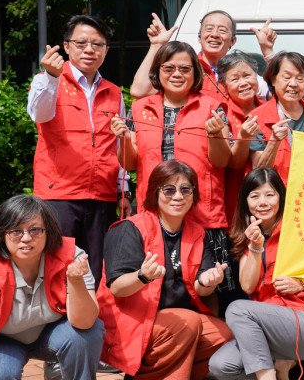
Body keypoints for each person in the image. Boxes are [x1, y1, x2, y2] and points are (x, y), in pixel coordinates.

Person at [110, 40, 245, 314]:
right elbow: (131, 162)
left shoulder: (213, 106)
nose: (176, 74)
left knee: (211, 287)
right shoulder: (140, 108)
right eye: (169, 68)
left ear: (195, 72)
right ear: (158, 71)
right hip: (155, 216)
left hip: (204, 214)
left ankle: (214, 336)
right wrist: (122, 138)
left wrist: (215, 134)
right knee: (160, 289)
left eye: (185, 68)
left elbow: (223, 161)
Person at [98, 160, 234, 379]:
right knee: (187, 323)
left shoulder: (197, 233)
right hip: (132, 322)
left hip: (176, 323)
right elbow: (117, 288)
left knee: (224, 336)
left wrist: (208, 281)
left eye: (185, 189)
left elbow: (201, 288)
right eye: (169, 190)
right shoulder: (130, 228)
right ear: (155, 192)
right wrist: (142, 276)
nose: (178, 196)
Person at [0, 195, 103, 380]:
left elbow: (85, 322)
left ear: (48, 231)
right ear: (2, 235)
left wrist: (75, 282)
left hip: (51, 332)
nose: (26, 238)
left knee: (87, 335)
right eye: (16, 231)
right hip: (1, 341)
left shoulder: (72, 257)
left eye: (35, 230)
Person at [26, 14, 130, 288]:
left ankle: (91, 315)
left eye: (97, 44)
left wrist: (123, 190)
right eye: (81, 43)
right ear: (66, 46)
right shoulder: (47, 81)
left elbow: (118, 144)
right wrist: (51, 76)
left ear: (106, 50)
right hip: (58, 194)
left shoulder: (114, 92)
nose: (89, 50)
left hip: (102, 196)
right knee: (56, 267)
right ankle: (56, 316)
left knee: (97, 269)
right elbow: (39, 113)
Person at [208, 168, 304, 379]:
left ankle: (269, 375)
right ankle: (281, 368)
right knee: (221, 365)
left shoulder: (299, 229)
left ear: (281, 197)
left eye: (269, 194)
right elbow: (247, 286)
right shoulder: (247, 237)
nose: (263, 202)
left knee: (237, 309)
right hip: (269, 326)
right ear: (246, 201)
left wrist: (301, 283)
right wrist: (255, 246)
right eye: (254, 196)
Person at [130, 11, 277, 100]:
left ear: (233, 41)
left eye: (222, 30)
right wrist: (156, 45)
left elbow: (280, 93)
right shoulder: (184, 68)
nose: (214, 34)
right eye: (209, 29)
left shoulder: (241, 73)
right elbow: (139, 91)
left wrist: (268, 51)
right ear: (199, 37)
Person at [249, 51, 304, 182]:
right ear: (273, 80)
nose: (293, 84)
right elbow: (258, 171)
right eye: (287, 77)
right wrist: (274, 142)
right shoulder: (257, 118)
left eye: (300, 78)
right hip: (277, 190)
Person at [215, 51, 264, 224]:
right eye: (235, 79)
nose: (243, 83)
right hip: (236, 196)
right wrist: (243, 137)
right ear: (224, 85)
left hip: (270, 197)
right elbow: (231, 163)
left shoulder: (270, 109)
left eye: (247, 76)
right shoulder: (221, 113)